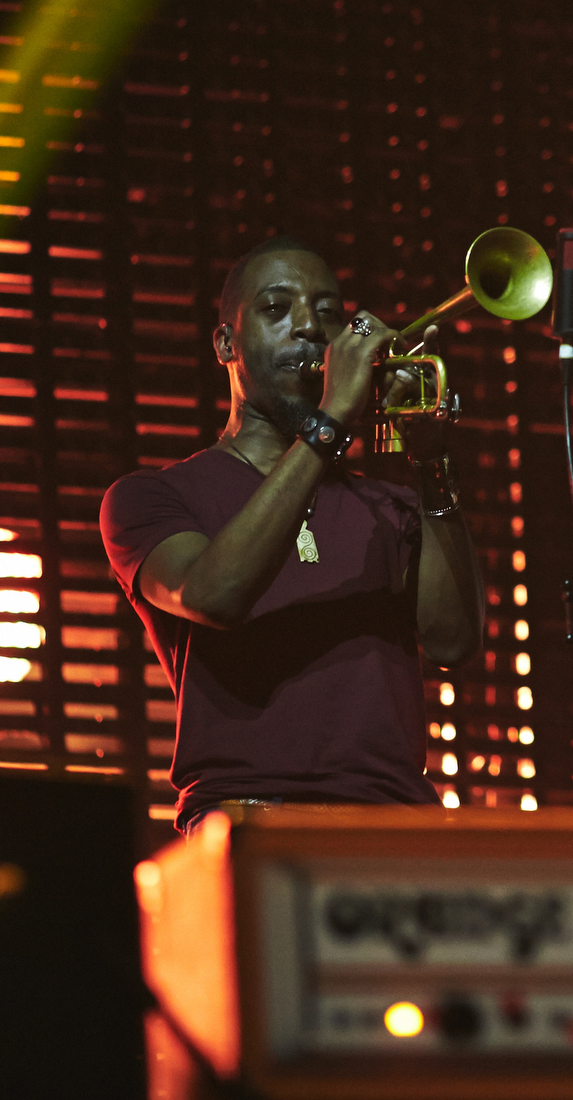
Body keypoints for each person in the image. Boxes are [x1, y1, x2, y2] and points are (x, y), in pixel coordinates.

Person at [101, 235, 484, 831]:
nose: (309, 327)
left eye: (328, 314)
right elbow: (213, 595)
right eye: (277, 310)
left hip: (396, 824)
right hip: (251, 818)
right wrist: (332, 420)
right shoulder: (153, 496)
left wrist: (431, 463)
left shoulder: (392, 504)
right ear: (226, 343)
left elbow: (453, 643)